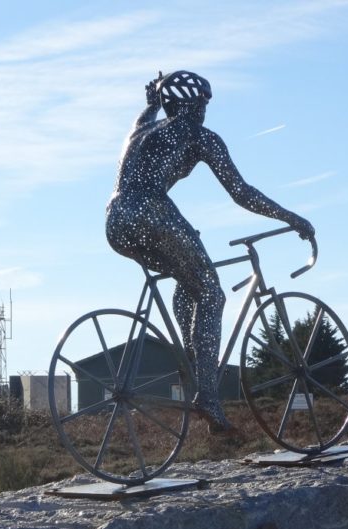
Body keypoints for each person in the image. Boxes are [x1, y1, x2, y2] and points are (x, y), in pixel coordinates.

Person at [105, 70, 314, 432]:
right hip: (152, 211)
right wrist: (290, 217)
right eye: (203, 103)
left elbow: (146, 113)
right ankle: (208, 397)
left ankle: (191, 367)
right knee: (213, 294)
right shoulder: (200, 136)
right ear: (193, 104)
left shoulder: (139, 129)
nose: (205, 111)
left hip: (115, 218)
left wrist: (152, 102)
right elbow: (241, 191)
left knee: (190, 284)